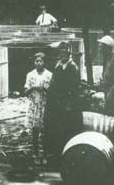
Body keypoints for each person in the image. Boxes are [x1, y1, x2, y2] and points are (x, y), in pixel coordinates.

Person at [42, 42, 82, 170]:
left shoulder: (72, 67)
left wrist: (70, 104)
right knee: (53, 130)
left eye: (65, 53)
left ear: (69, 54)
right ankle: (53, 157)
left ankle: (65, 160)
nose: (62, 55)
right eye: (61, 53)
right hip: (56, 103)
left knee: (65, 131)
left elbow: (75, 88)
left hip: (66, 105)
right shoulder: (58, 65)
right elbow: (54, 83)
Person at [24, 52, 52, 166]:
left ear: (44, 62)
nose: (38, 63)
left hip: (44, 105)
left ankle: (45, 155)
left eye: (41, 61)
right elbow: (25, 92)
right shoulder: (30, 75)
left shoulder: (49, 75)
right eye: (37, 61)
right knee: (35, 131)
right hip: (34, 106)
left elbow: (52, 91)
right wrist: (34, 87)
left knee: (45, 132)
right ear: (34, 62)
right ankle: (35, 154)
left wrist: (44, 89)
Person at [98, 35, 114, 115]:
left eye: (101, 47)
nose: (100, 49)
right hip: (107, 91)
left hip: (113, 94)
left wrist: (111, 93)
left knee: (111, 114)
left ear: (107, 48)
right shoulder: (108, 58)